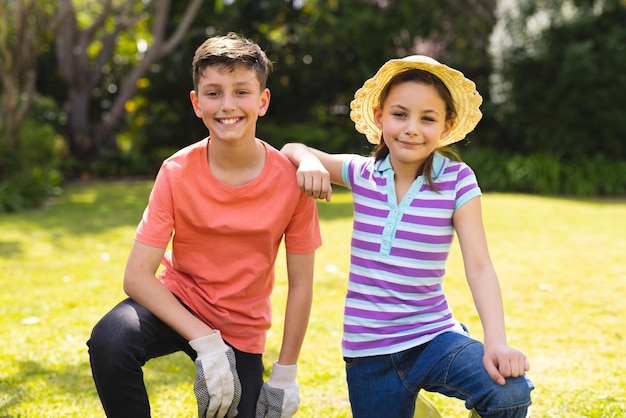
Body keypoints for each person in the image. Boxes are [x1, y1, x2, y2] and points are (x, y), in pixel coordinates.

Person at [281, 55, 534, 417]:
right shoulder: (362, 173)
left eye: (427, 118)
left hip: (433, 337)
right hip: (368, 354)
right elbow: (292, 149)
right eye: (400, 114)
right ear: (380, 116)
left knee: (510, 392)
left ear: (445, 127)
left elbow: (479, 266)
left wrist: (496, 343)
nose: (412, 128)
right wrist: (307, 162)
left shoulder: (457, 180)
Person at [87, 32, 322, 418]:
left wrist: (285, 372)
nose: (228, 105)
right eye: (213, 93)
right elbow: (137, 277)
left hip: (241, 326)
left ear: (262, 101)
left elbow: (301, 285)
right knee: (111, 339)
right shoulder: (176, 172)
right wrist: (205, 342)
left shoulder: (291, 181)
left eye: (241, 92)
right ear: (197, 103)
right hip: (179, 303)